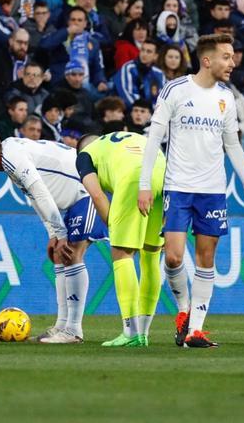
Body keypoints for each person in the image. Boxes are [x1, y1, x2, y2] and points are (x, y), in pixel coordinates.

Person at [138, 34, 244, 349]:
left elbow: (231, 142)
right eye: (226, 57)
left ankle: (195, 330)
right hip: (178, 187)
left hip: (213, 190)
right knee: (174, 257)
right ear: (207, 60)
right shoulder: (176, 90)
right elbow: (154, 138)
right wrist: (144, 185)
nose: (232, 63)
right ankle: (183, 310)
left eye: (232, 57)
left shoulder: (226, 97)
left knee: (206, 259)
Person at [0, 131, 107, 344]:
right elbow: (35, 198)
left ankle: (74, 331)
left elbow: (41, 193)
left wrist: (61, 234)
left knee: (73, 253)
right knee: (61, 257)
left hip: (86, 189)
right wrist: (53, 234)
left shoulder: (13, 158)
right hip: (74, 198)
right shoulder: (9, 154)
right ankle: (62, 325)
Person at [75, 131, 164, 347]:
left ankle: (130, 331)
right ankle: (143, 332)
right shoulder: (128, 137)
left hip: (133, 178)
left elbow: (97, 195)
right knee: (151, 255)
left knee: (122, 254)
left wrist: (113, 226)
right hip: (164, 173)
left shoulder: (85, 156)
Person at [113, 39, 165, 109]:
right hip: (130, 112)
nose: (144, 54)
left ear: (155, 56)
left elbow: (162, 99)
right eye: (142, 50)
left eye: (149, 52)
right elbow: (127, 96)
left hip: (152, 114)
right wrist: (146, 110)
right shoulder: (129, 68)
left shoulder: (159, 74)